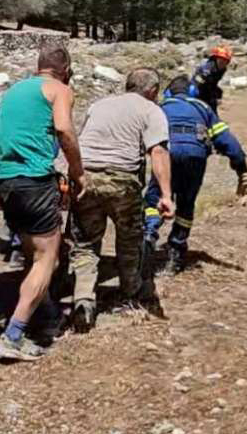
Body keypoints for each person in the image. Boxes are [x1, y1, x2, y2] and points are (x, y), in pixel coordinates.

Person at [0, 45, 84, 362]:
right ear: (66, 69)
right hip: (34, 180)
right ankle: (13, 335)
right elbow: (63, 129)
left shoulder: (16, 90)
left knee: (34, 255)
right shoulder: (59, 89)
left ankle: (45, 315)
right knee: (48, 259)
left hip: (5, 180)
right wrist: (78, 171)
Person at [68, 68, 174, 333]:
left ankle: (83, 298)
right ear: (152, 90)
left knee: (85, 243)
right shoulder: (150, 110)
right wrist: (166, 195)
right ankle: (131, 291)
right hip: (122, 180)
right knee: (129, 239)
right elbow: (158, 151)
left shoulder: (99, 105)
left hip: (86, 178)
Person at [143, 75, 247, 276]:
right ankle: (176, 252)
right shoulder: (203, 108)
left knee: (155, 198)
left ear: (168, 92)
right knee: (186, 204)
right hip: (196, 155)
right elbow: (228, 142)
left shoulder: (160, 106)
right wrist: (242, 170)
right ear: (193, 92)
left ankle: (149, 235)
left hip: (167, 152)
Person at [192, 46, 233, 112]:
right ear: (215, 59)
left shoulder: (223, 69)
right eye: (221, 60)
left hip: (210, 85)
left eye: (225, 61)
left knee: (218, 93)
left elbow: (215, 82)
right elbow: (197, 80)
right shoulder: (207, 68)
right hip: (199, 86)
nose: (223, 63)